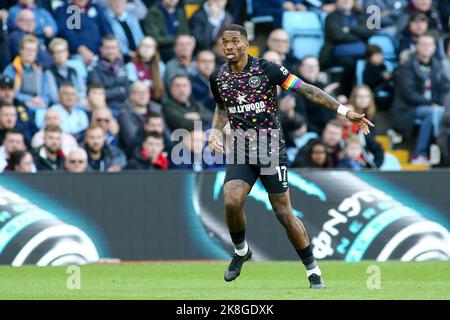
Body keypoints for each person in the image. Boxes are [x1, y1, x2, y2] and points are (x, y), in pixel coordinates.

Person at [208, 24, 373, 287]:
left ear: (246, 43)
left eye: (234, 41)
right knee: (231, 200)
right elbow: (220, 107)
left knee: (283, 212)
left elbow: (307, 89)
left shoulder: (267, 69)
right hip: (240, 148)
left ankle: (312, 269)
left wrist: (344, 112)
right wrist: (215, 132)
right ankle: (241, 252)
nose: (228, 46)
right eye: (224, 42)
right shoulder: (218, 77)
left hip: (270, 149)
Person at [392, 34, 450, 164]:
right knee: (431, 113)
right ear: (417, 47)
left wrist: (440, 103)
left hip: (435, 106)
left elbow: (445, 89)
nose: (426, 47)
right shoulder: (407, 66)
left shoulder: (438, 66)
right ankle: (419, 154)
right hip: (409, 108)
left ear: (434, 48)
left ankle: (442, 154)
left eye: (429, 44)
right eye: (423, 44)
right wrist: (432, 104)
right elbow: (409, 93)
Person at [319, 0, 375, 96]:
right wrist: (359, 37)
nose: (346, 1)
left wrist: (350, 29)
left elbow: (369, 31)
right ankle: (346, 94)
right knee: (350, 63)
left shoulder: (359, 15)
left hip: (361, 54)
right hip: (334, 55)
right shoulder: (331, 17)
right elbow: (337, 35)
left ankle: (371, 96)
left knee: (374, 61)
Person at [55, 0, 113, 65]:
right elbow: (67, 33)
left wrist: (112, 48)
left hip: (101, 53)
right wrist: (80, 49)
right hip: (77, 55)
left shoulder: (96, 8)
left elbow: (106, 29)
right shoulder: (65, 10)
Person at [3, 34, 50, 111]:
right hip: (18, 105)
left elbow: (46, 95)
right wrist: (29, 99)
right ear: (20, 50)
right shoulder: (11, 69)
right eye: (27, 49)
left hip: (38, 106)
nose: (30, 53)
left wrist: (41, 100)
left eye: (33, 50)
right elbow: (8, 93)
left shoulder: (39, 70)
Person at [87, 35, 131, 112]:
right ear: (101, 49)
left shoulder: (121, 65)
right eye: (107, 48)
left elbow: (128, 89)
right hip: (107, 108)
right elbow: (99, 94)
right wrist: (120, 90)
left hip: (125, 106)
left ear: (118, 49)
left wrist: (115, 90)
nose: (111, 51)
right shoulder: (94, 68)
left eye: (113, 48)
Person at [119, 81, 161, 155]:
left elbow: (166, 133)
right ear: (131, 95)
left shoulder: (157, 108)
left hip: (160, 148)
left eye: (145, 92)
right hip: (138, 153)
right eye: (138, 92)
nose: (143, 95)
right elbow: (131, 140)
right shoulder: (125, 114)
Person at [45, 38, 87, 105]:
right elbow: (54, 97)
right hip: (59, 106)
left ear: (67, 53)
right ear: (52, 56)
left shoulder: (74, 71)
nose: (60, 55)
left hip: (76, 104)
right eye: (57, 52)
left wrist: (76, 101)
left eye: (62, 51)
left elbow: (81, 92)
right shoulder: (49, 72)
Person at [125, 36, 165, 101]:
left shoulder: (161, 65)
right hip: (139, 101)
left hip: (159, 100)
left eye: (149, 46)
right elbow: (134, 87)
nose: (146, 49)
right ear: (139, 48)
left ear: (155, 50)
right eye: (143, 46)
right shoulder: (130, 66)